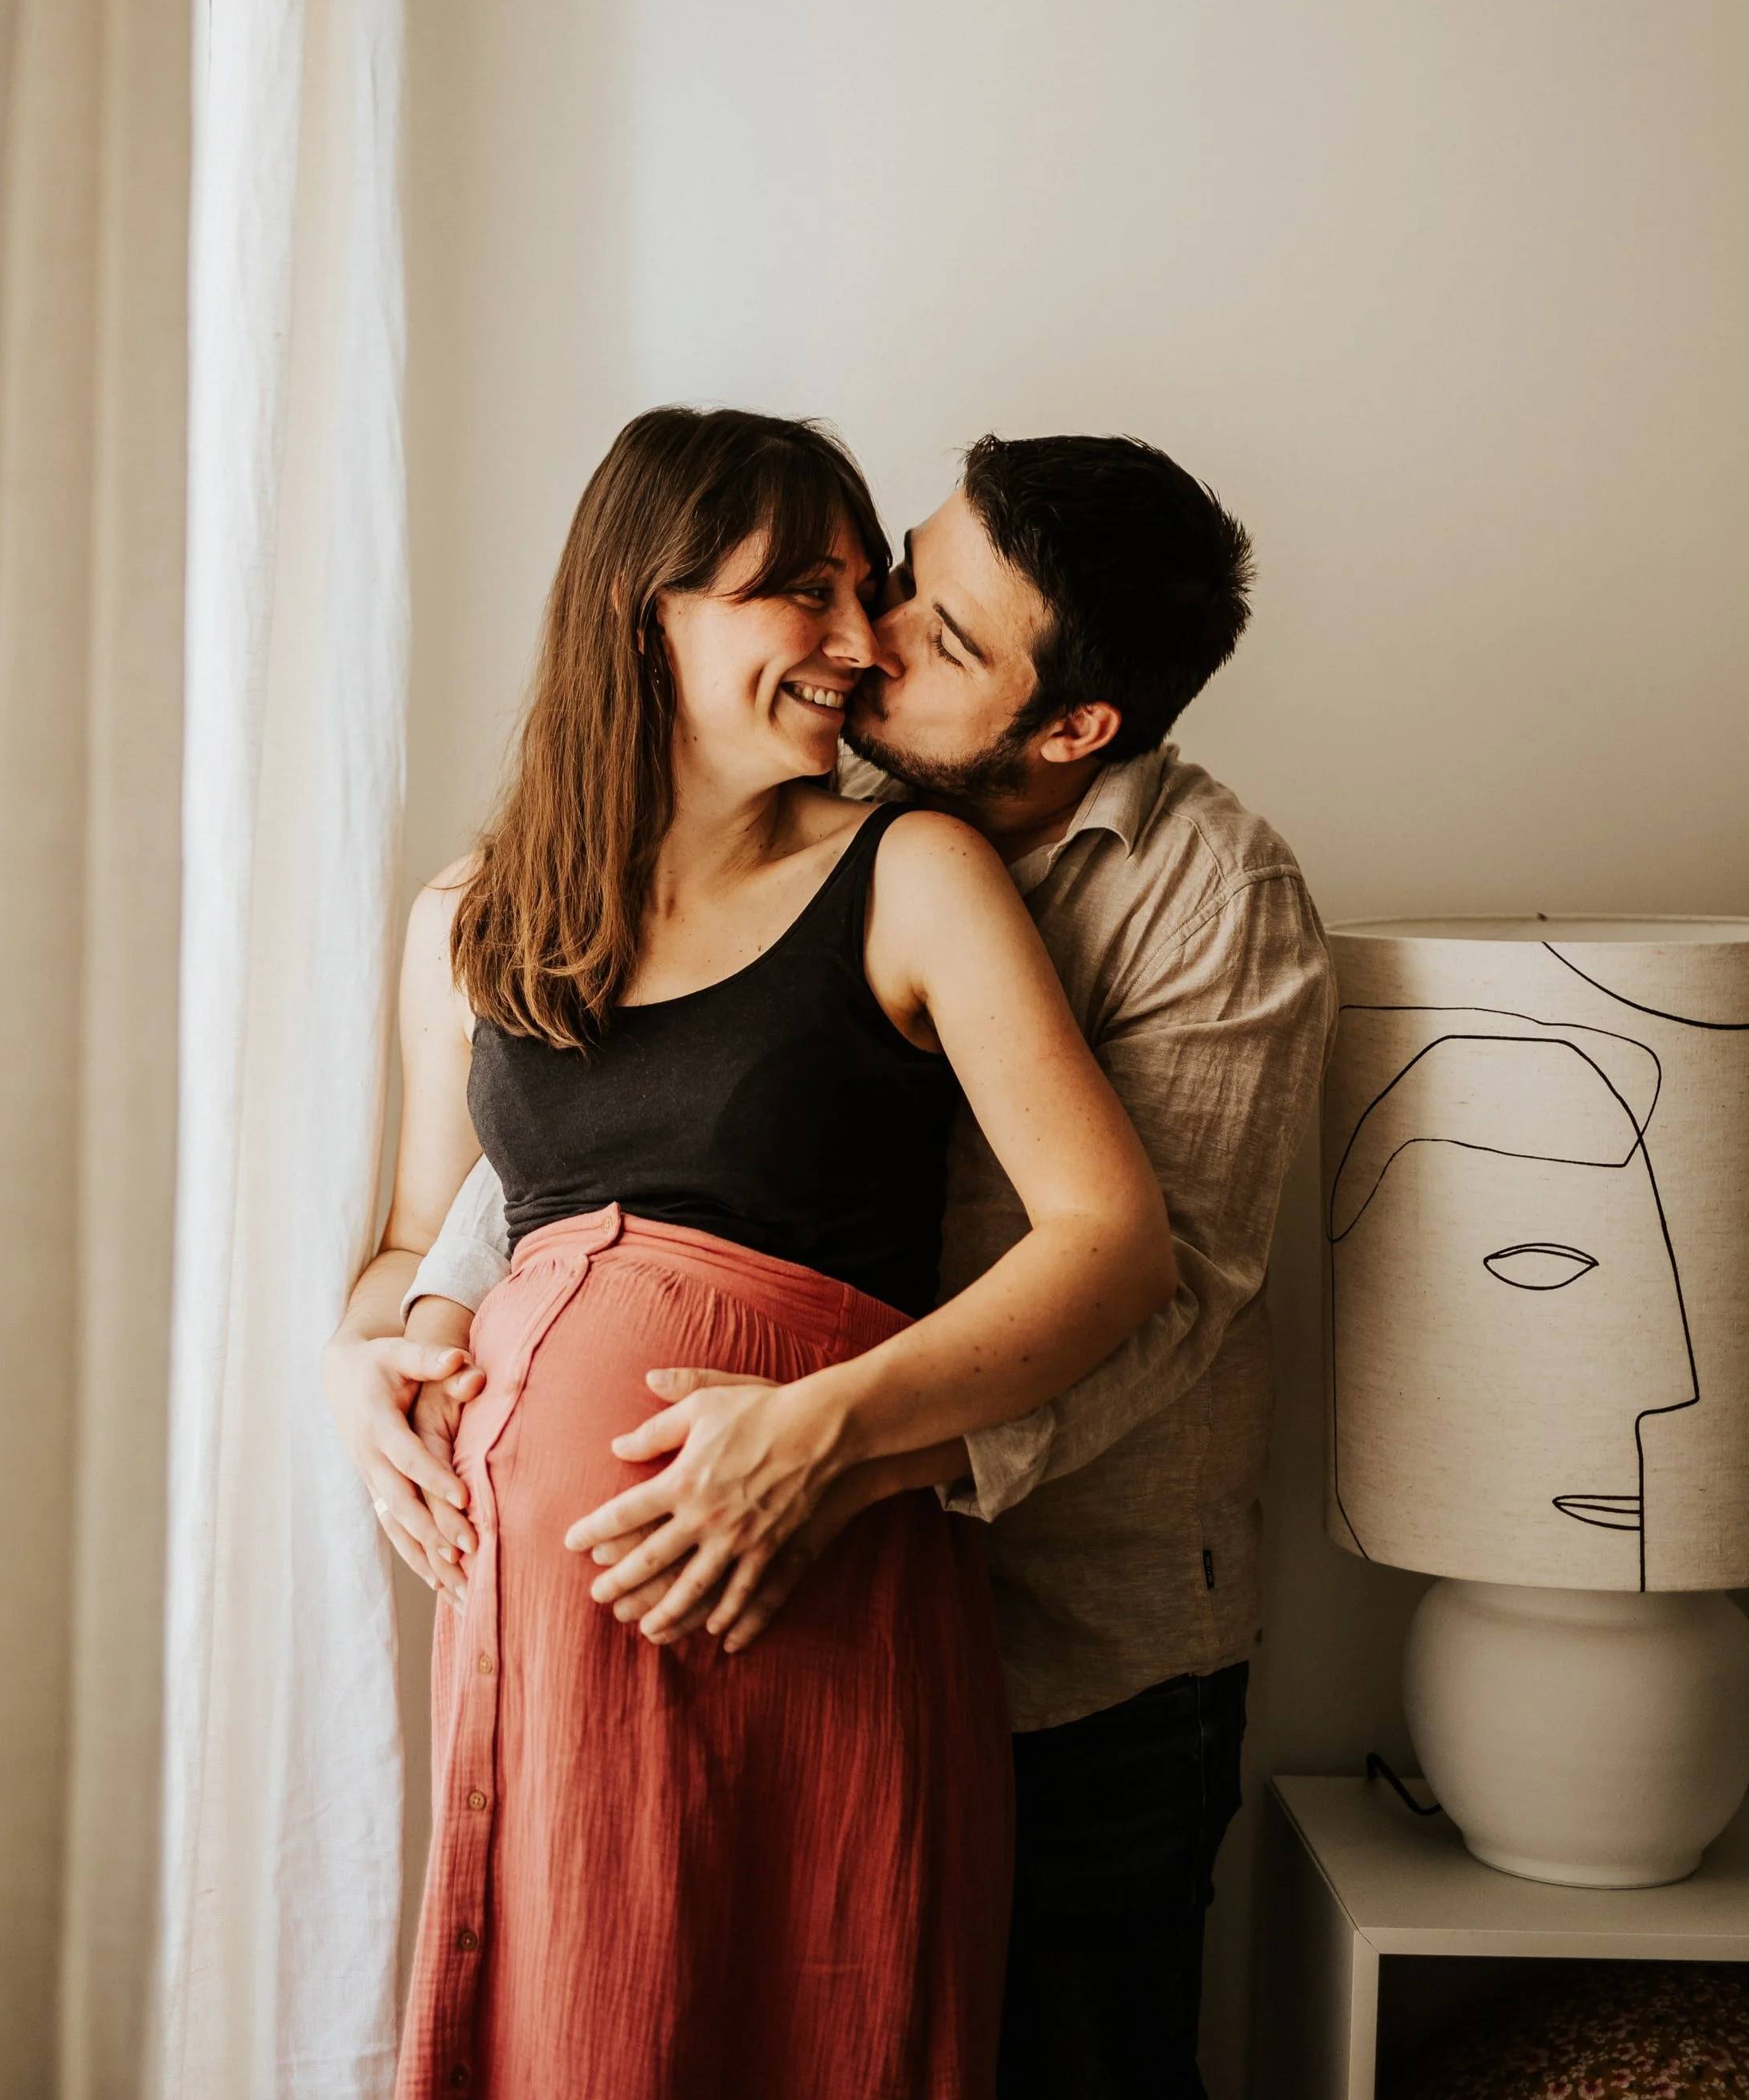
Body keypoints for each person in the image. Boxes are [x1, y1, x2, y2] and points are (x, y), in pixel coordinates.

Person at [398, 432, 1336, 2100]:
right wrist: (401, 1335)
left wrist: (832, 1446)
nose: (872, 641)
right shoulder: (798, 813)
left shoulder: (1199, 894)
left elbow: (1162, 1283)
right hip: (644, 1621)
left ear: (1071, 728)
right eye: (888, 580)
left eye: (934, 635)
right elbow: (578, 1145)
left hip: (1067, 1638)